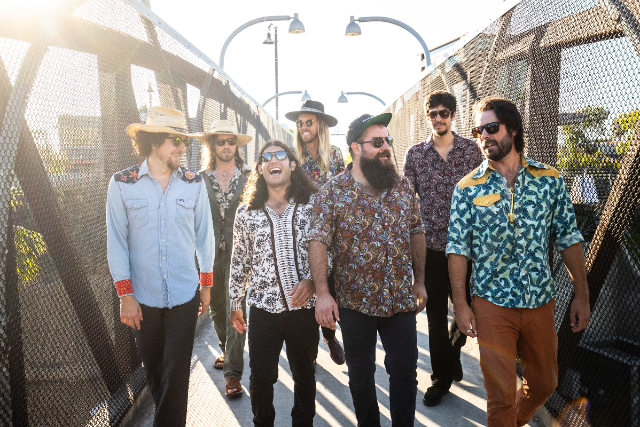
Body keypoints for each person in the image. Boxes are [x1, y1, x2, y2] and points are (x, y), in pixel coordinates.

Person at [447, 97, 591, 426]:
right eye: (478, 131)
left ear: (512, 129)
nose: (484, 136)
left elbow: (568, 238)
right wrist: (461, 304)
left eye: (491, 128)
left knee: (545, 383)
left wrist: (581, 294)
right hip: (491, 303)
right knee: (499, 397)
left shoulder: (549, 179)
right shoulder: (467, 188)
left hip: (540, 300)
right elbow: (457, 249)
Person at [309, 113, 427, 427]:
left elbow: (416, 230)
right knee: (361, 376)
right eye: (377, 142)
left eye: (387, 140)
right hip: (354, 303)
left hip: (400, 299)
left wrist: (420, 281)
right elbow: (318, 240)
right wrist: (323, 294)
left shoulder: (402, 187)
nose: (386, 146)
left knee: (405, 372)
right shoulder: (333, 192)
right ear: (356, 148)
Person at [107, 106, 214, 427]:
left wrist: (206, 285)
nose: (183, 148)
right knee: (155, 372)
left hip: (184, 294)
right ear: (154, 142)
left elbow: (205, 237)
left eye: (185, 141)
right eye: (175, 140)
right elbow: (116, 243)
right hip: (142, 298)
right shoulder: (122, 183)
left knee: (176, 373)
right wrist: (125, 296)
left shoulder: (194, 183)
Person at [228, 141, 323, 427]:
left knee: (304, 374)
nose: (273, 160)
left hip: (304, 309)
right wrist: (234, 303)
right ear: (259, 169)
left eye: (280, 155)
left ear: (292, 165)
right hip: (262, 310)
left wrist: (313, 282)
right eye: (266, 157)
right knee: (260, 377)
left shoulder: (312, 205)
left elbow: (328, 250)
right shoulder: (246, 212)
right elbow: (240, 260)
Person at [404, 90, 484, 407]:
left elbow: (483, 193)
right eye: (433, 114)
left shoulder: (471, 151)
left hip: (466, 248)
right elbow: (406, 200)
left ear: (452, 115)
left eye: (443, 113)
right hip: (432, 249)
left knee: (469, 310)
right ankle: (440, 380)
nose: (438, 118)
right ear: (429, 117)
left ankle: (452, 353)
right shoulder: (415, 154)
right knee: (435, 318)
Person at [285, 100, 345, 365]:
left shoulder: (335, 155)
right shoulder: (293, 158)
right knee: (307, 288)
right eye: (300, 123)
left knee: (330, 286)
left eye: (308, 122)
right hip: (302, 234)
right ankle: (309, 351)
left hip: (332, 233)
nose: (303, 127)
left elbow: (343, 191)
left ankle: (330, 337)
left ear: (320, 124)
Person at [196, 120, 253, 396]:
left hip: (239, 251)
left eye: (231, 141)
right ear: (212, 145)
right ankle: (226, 348)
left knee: (235, 305)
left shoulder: (250, 177)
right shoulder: (199, 179)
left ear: (237, 145)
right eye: (221, 141)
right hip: (208, 251)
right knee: (216, 306)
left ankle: (233, 373)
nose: (227, 146)